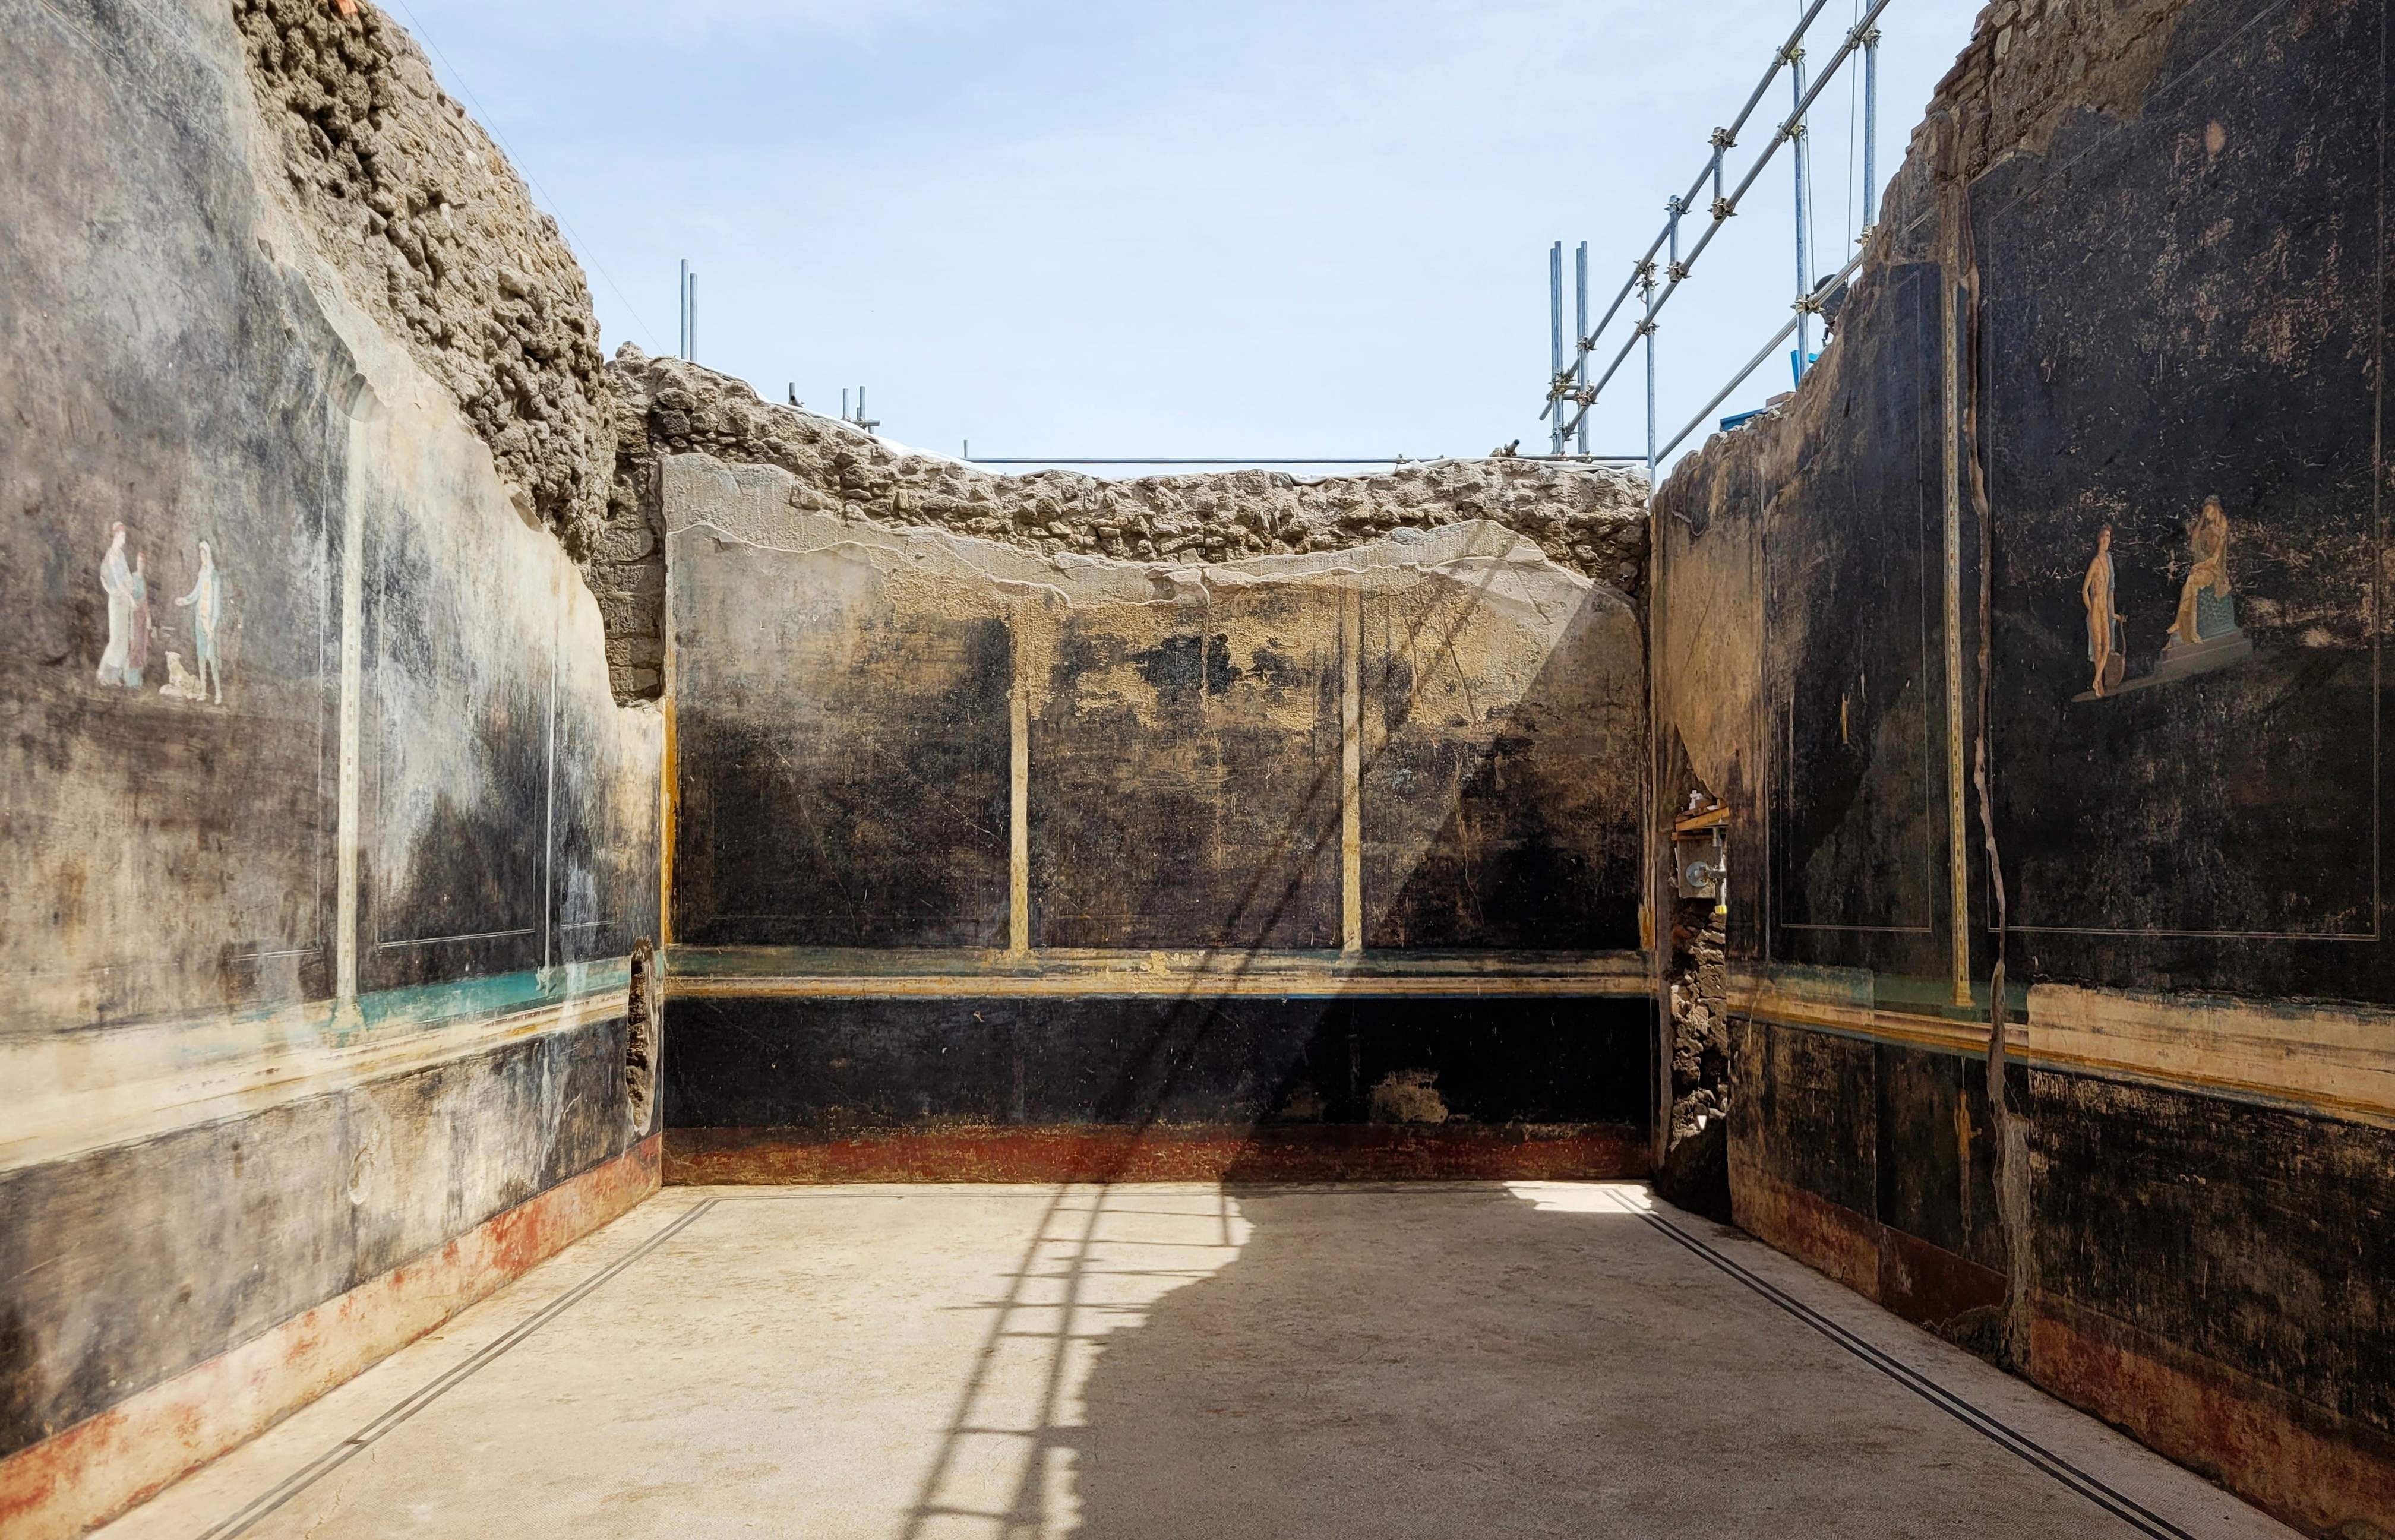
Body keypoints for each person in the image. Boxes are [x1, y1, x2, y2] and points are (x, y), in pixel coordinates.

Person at [2167, 496, 2233, 649]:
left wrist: (2200, 566)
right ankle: (2181, 625)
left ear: (2216, 509)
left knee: (2191, 580)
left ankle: (2180, 623)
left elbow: (2215, 559)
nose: (2208, 515)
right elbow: (2194, 541)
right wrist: (2202, 519)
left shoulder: (2222, 530)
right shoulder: (2208, 528)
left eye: (2209, 512)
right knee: (2190, 583)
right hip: (2205, 568)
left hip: (2215, 571)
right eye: (2205, 513)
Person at [176, 539, 225, 704]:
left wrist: (212, 627)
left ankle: (218, 693)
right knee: (201, 656)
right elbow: (195, 594)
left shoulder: (214, 575)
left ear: (208, 555)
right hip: (199, 619)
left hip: (209, 622)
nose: (201, 557)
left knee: (211, 657)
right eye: (200, 554)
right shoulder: (202, 574)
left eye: (203, 554)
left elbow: (217, 605)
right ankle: (203, 691)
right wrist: (184, 600)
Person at [2081, 523, 2121, 696]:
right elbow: (2084, 589)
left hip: (2105, 611)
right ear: (2099, 539)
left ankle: (2096, 680)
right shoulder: (2096, 563)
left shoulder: (2109, 560)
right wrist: (2090, 608)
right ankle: (2098, 685)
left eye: (2109, 537)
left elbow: (2110, 589)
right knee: (2098, 647)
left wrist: (2113, 613)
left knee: (2106, 648)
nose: (2107, 540)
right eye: (2104, 536)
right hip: (2096, 610)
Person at [97, 522, 135, 687]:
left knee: (124, 641)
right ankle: (102, 673)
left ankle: (114, 676)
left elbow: (127, 576)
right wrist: (129, 595)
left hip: (125, 599)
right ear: (115, 537)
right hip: (117, 599)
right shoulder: (112, 556)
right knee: (116, 639)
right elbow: (118, 581)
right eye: (121, 537)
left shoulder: (120, 555)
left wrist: (130, 589)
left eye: (124, 537)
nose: (123, 541)